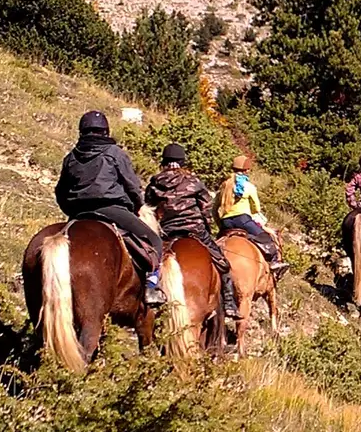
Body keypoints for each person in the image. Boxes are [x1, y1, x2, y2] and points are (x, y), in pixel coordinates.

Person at [56, 110, 165, 306]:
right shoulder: (115, 153)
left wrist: (71, 211)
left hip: (78, 213)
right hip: (111, 209)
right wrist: (136, 207)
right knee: (154, 241)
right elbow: (132, 185)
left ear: (82, 131)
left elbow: (60, 191)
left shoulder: (71, 157)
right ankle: (151, 288)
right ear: (106, 131)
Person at [145, 144, 240, 319]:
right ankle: (229, 303)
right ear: (182, 161)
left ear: (164, 161)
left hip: (166, 232)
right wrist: (208, 226)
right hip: (194, 229)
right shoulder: (193, 181)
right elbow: (207, 207)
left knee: (149, 262)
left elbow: (149, 209)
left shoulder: (155, 183)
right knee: (222, 263)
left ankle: (149, 292)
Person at [215, 155, 287, 275]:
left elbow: (214, 209)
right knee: (266, 238)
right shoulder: (249, 187)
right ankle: (275, 263)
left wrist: (220, 224)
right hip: (243, 220)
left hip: (225, 223)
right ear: (247, 170)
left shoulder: (224, 186)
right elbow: (256, 209)